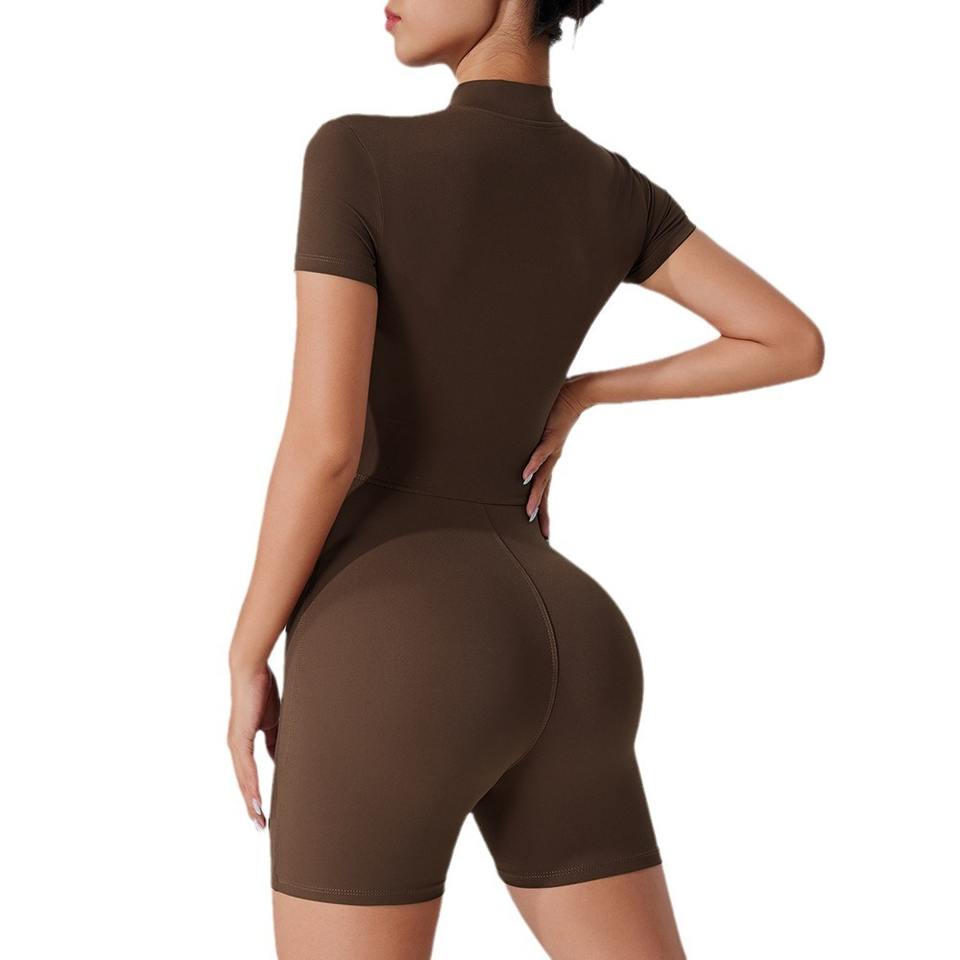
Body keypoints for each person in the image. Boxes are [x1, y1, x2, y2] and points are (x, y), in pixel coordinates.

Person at [226, 2, 825, 957]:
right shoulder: (615, 189)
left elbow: (326, 446)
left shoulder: (355, 155)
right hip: (573, 643)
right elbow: (788, 340)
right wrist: (585, 391)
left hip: (391, 643)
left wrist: (247, 650)